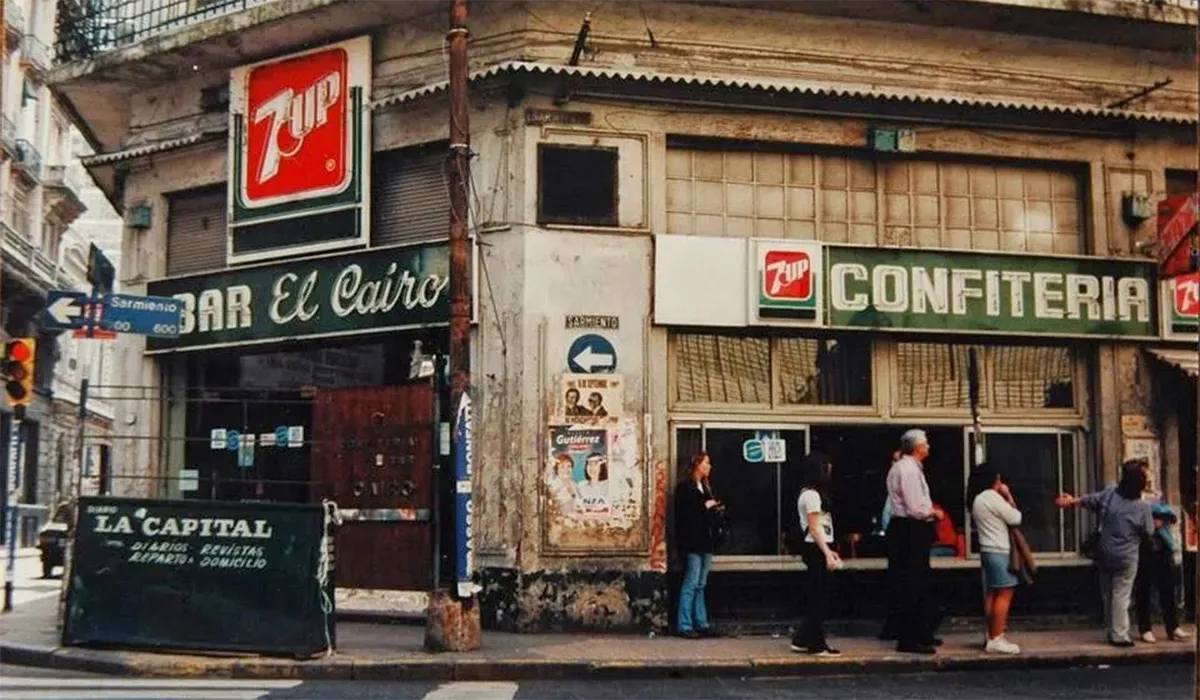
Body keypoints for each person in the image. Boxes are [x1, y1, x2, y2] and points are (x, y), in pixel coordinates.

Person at [1056, 460, 1155, 647]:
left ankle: (1110, 630)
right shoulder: (1142, 507)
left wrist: (1071, 501)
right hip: (1127, 555)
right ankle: (1120, 635)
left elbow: (1090, 500)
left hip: (1104, 551)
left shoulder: (1110, 494)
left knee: (1107, 593)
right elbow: (1148, 531)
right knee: (1121, 594)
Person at [884, 429, 942, 654]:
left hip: (903, 528)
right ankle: (911, 638)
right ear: (917, 447)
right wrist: (934, 512)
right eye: (925, 444)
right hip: (911, 528)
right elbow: (915, 508)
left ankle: (919, 633)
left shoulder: (900, 468)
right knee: (914, 583)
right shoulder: (908, 470)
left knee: (910, 582)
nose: (928, 447)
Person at [790, 452, 843, 656]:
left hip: (819, 546)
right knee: (819, 597)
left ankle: (802, 639)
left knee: (819, 596)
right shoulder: (811, 496)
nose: (830, 468)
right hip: (815, 548)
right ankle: (816, 643)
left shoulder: (812, 494)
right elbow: (814, 527)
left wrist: (830, 550)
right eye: (826, 465)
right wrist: (827, 553)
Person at [969, 464, 1023, 655]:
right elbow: (1016, 517)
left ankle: (991, 633)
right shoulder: (992, 497)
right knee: (1004, 594)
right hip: (999, 550)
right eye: (998, 479)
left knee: (992, 593)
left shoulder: (977, 499)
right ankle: (996, 638)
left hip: (987, 549)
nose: (1001, 483)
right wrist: (1008, 496)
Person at [673, 452, 723, 639]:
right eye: (707, 463)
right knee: (691, 581)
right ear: (698, 465)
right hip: (692, 543)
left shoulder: (706, 487)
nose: (710, 466)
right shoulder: (684, 488)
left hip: (706, 542)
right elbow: (685, 515)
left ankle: (701, 622)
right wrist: (705, 506)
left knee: (701, 584)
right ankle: (684, 624)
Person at [1134, 481, 1191, 643]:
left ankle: (1173, 626)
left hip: (1162, 548)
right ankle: (1145, 628)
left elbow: (1171, 516)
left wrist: (1158, 517)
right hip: (1144, 548)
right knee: (1144, 589)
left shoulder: (1156, 497)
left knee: (1167, 588)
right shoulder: (1133, 499)